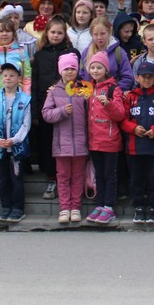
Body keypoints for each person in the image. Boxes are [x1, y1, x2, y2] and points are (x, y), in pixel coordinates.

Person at [31, 16, 78, 200]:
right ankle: (52, 179)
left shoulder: (71, 52)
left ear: (65, 34)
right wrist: (35, 111)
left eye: (59, 32)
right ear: (47, 33)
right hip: (47, 107)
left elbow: (77, 76)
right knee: (48, 143)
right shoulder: (40, 55)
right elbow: (35, 83)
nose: (56, 35)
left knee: (66, 143)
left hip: (68, 105)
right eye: (53, 32)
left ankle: (70, 180)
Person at [43, 54, 91, 224]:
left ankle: (75, 207)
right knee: (62, 177)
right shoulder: (54, 91)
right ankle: (64, 208)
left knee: (78, 176)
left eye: (72, 68)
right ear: (60, 71)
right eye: (66, 69)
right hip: (61, 144)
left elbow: (91, 112)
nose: (69, 72)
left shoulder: (84, 89)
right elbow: (46, 113)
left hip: (80, 142)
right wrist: (62, 111)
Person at [122, 61, 154, 225]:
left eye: (150, 77)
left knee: (153, 178)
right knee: (136, 179)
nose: (147, 80)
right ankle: (138, 206)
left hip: (153, 147)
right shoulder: (130, 97)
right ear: (137, 78)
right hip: (134, 148)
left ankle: (151, 207)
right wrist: (133, 128)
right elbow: (123, 120)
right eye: (144, 77)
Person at [84, 52, 127, 225]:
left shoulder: (113, 89)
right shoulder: (88, 89)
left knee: (109, 175)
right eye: (93, 67)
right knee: (99, 175)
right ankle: (100, 204)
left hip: (110, 141)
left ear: (106, 70)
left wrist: (108, 104)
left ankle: (109, 207)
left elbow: (120, 114)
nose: (95, 71)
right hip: (94, 140)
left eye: (99, 67)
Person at [0, 63, 31, 224]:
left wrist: (14, 140)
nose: (8, 78)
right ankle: (6, 207)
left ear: (19, 78)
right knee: (2, 179)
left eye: (12, 75)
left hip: (16, 147)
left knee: (16, 178)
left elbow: (26, 125)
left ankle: (18, 208)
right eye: (5, 75)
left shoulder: (25, 100)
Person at [0, 18, 32, 95]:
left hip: (17, 98)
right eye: (1, 31)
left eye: (8, 31)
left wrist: (26, 98)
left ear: (13, 33)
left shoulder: (22, 53)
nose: (4, 34)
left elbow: (27, 79)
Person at [79, 16, 133, 90]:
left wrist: (113, 91)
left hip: (112, 95)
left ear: (109, 32)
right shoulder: (86, 52)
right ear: (91, 35)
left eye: (102, 34)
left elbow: (127, 77)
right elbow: (81, 75)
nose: (99, 37)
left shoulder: (118, 52)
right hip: (90, 94)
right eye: (95, 34)